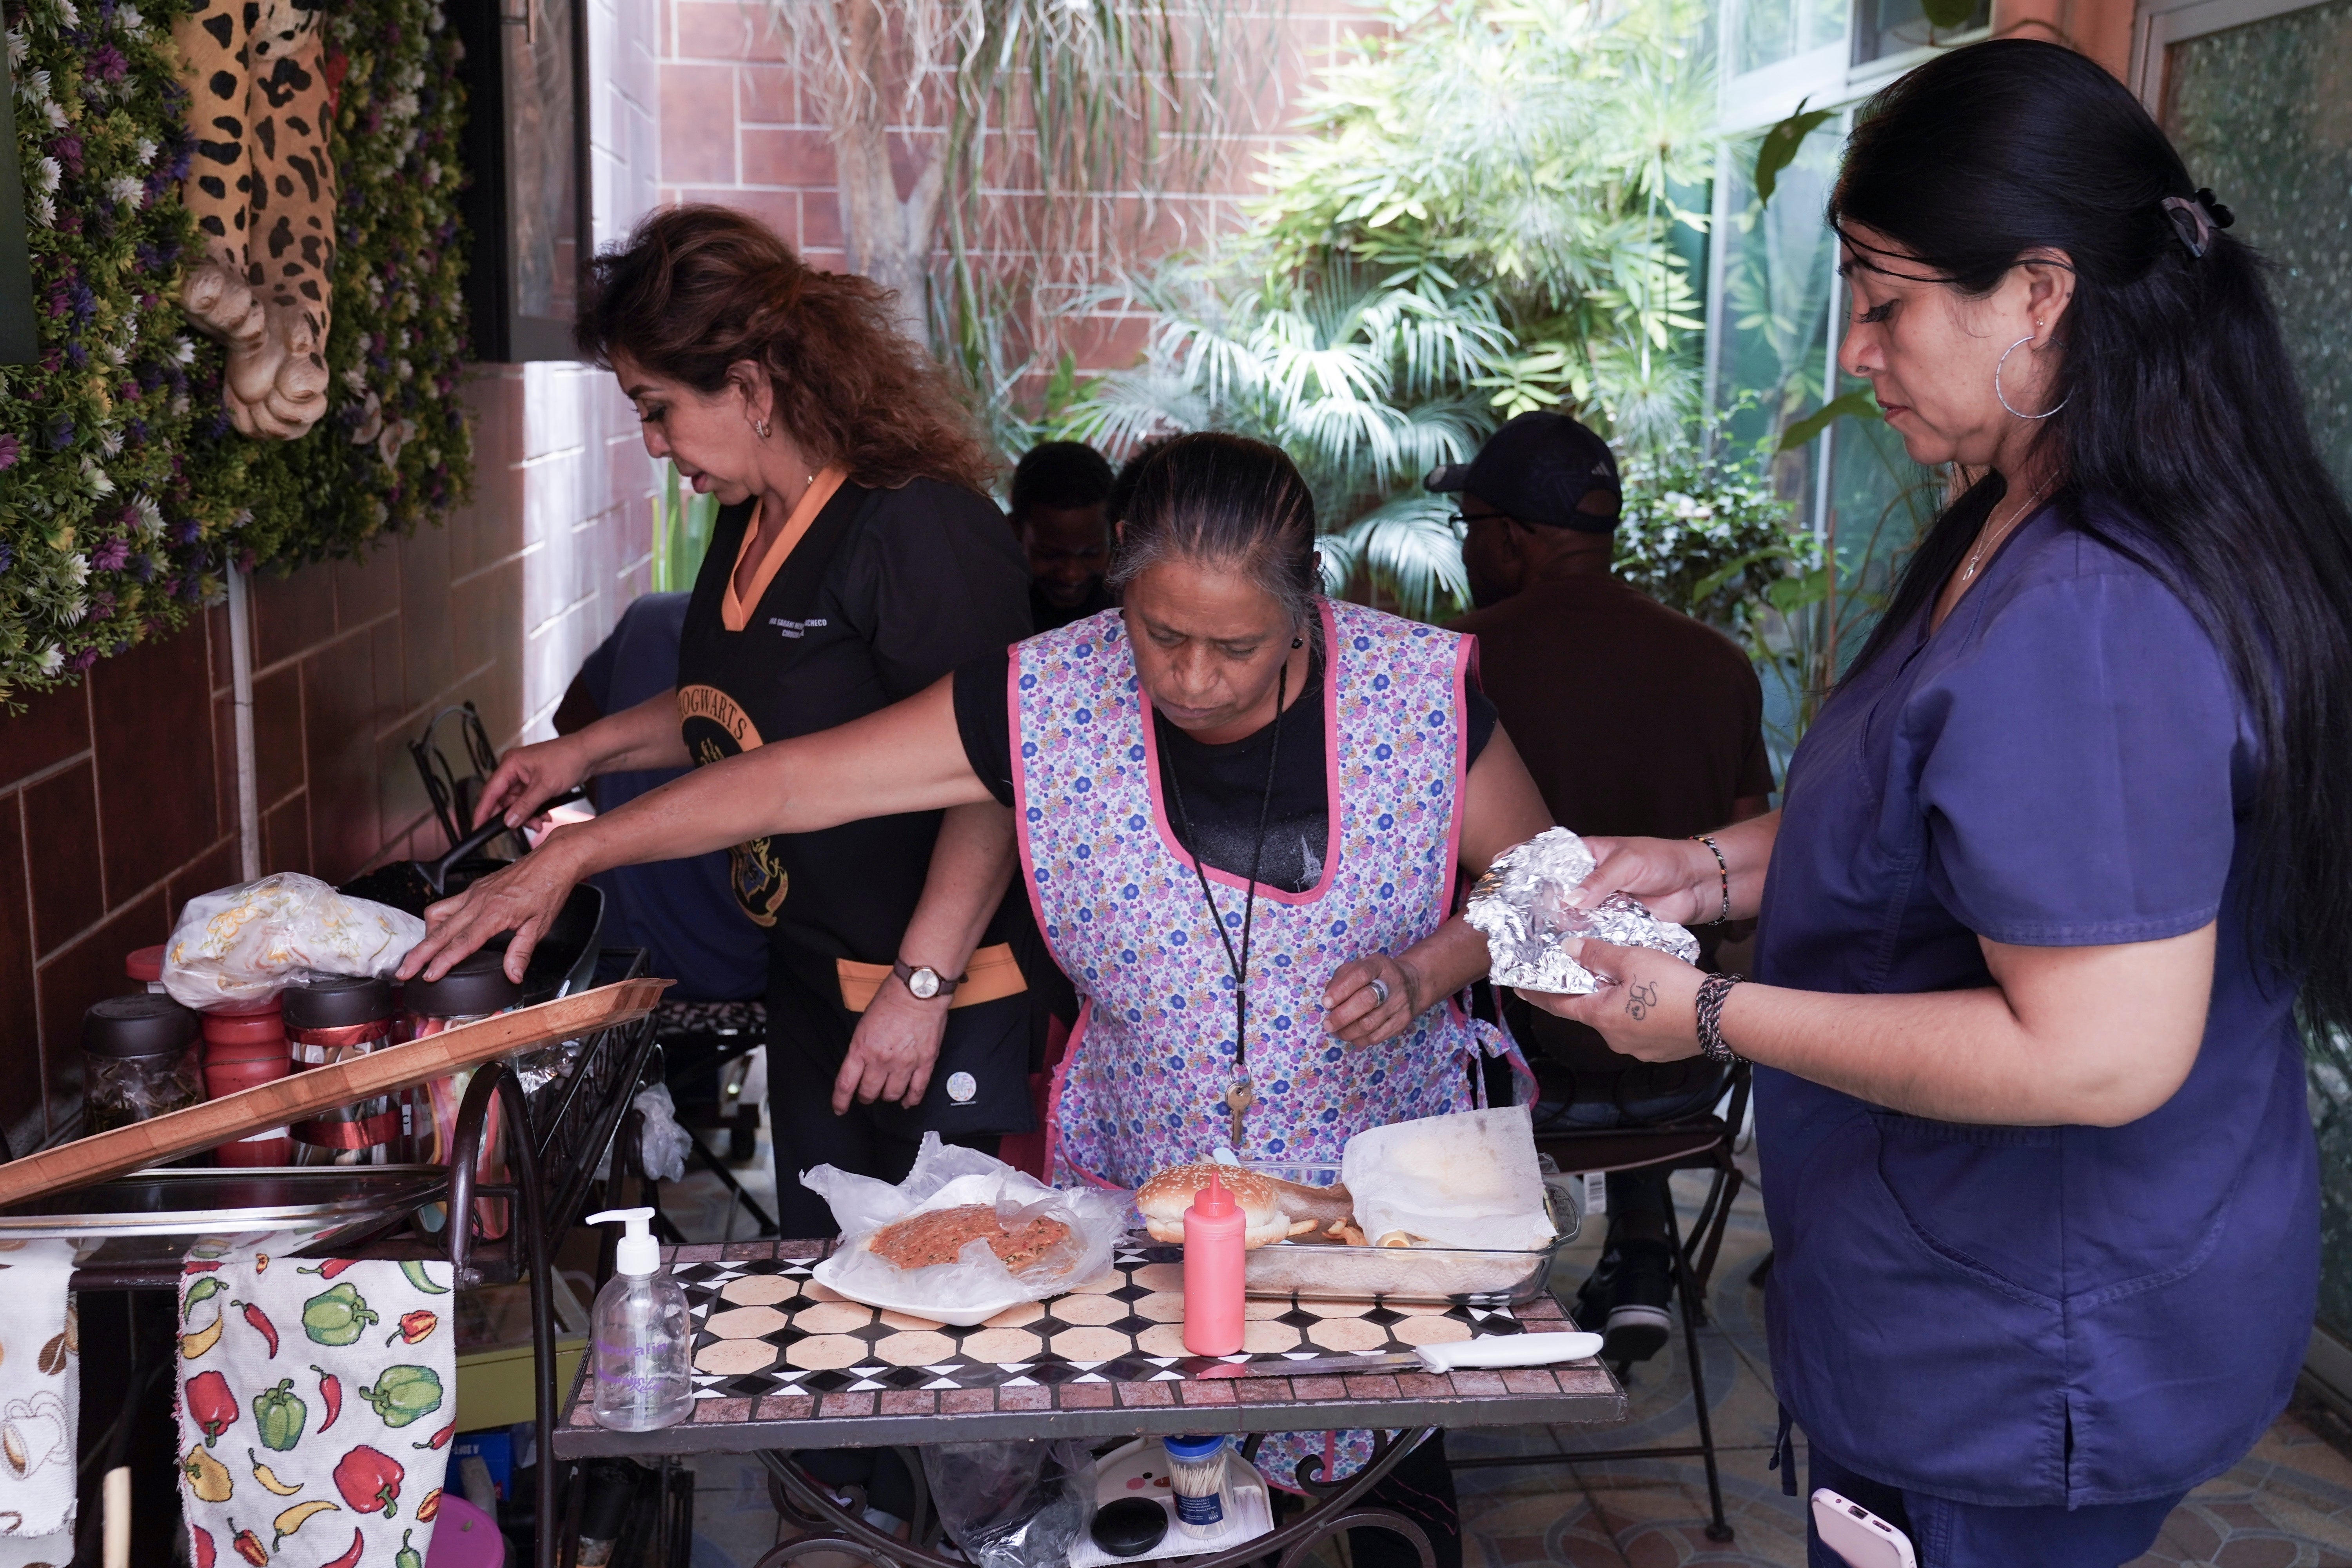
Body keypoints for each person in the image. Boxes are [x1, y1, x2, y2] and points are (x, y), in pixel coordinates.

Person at [402, 432, 1560, 1568]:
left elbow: (1554, 894)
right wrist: (577, 852)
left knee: (1382, 1502)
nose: (1193, 678)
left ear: (1304, 605)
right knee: (1149, 1502)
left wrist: (1431, 966)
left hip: (1365, 1211)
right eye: (1160, 636)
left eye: (1235, 645)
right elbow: (800, 777)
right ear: (1119, 594)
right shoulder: (1053, 695)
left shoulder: (1416, 696)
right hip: (1139, 1181)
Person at [1521, 40, 2352, 1568]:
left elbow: (2099, 1052)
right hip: (2015, 1293)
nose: (1855, 346)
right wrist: (1707, 866)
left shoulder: (2092, 607)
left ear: (2040, 296)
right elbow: (1949, 828)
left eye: (1886, 298)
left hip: (2027, 1353)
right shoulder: (2019, 516)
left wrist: (1707, 1013)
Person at [459, 205, 1042, 1243]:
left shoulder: (919, 530)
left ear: (753, 388)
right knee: (831, 1279)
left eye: (658, 407)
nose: (650, 442)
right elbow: (739, 725)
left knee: (944, 1313)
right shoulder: (744, 519)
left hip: (936, 998)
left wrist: (922, 980)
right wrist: (582, 753)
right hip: (816, 977)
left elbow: (999, 770)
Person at [1438, 410, 1773, 1368]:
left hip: (1504, 1091)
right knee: (1628, 974)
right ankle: (1639, 1249)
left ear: (1509, 536)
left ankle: (1482, 1295)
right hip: (1682, 1077)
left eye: (1471, 527)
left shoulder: (1451, 661)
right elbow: (1741, 894)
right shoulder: (1717, 665)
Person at [1009, 440, 1116, 632]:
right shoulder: (991, 609)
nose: (1072, 574)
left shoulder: (1129, 608)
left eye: (1091, 553)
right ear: (1015, 531)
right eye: (1050, 555)